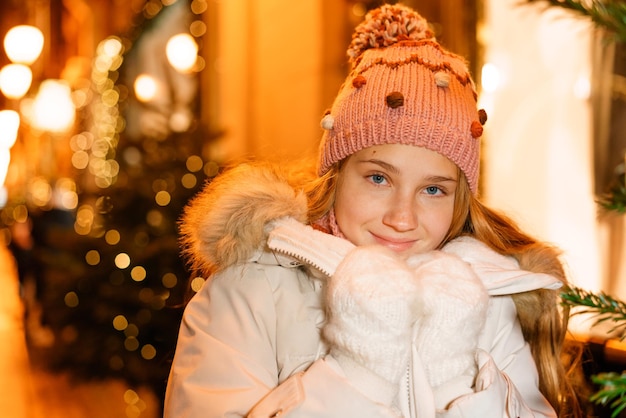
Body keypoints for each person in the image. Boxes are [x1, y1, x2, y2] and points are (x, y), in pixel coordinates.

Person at [164, 4, 582, 417]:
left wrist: (455, 376)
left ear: (459, 199)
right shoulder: (248, 294)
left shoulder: (486, 298)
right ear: (336, 173)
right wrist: (359, 369)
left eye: (433, 189)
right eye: (379, 178)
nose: (402, 217)